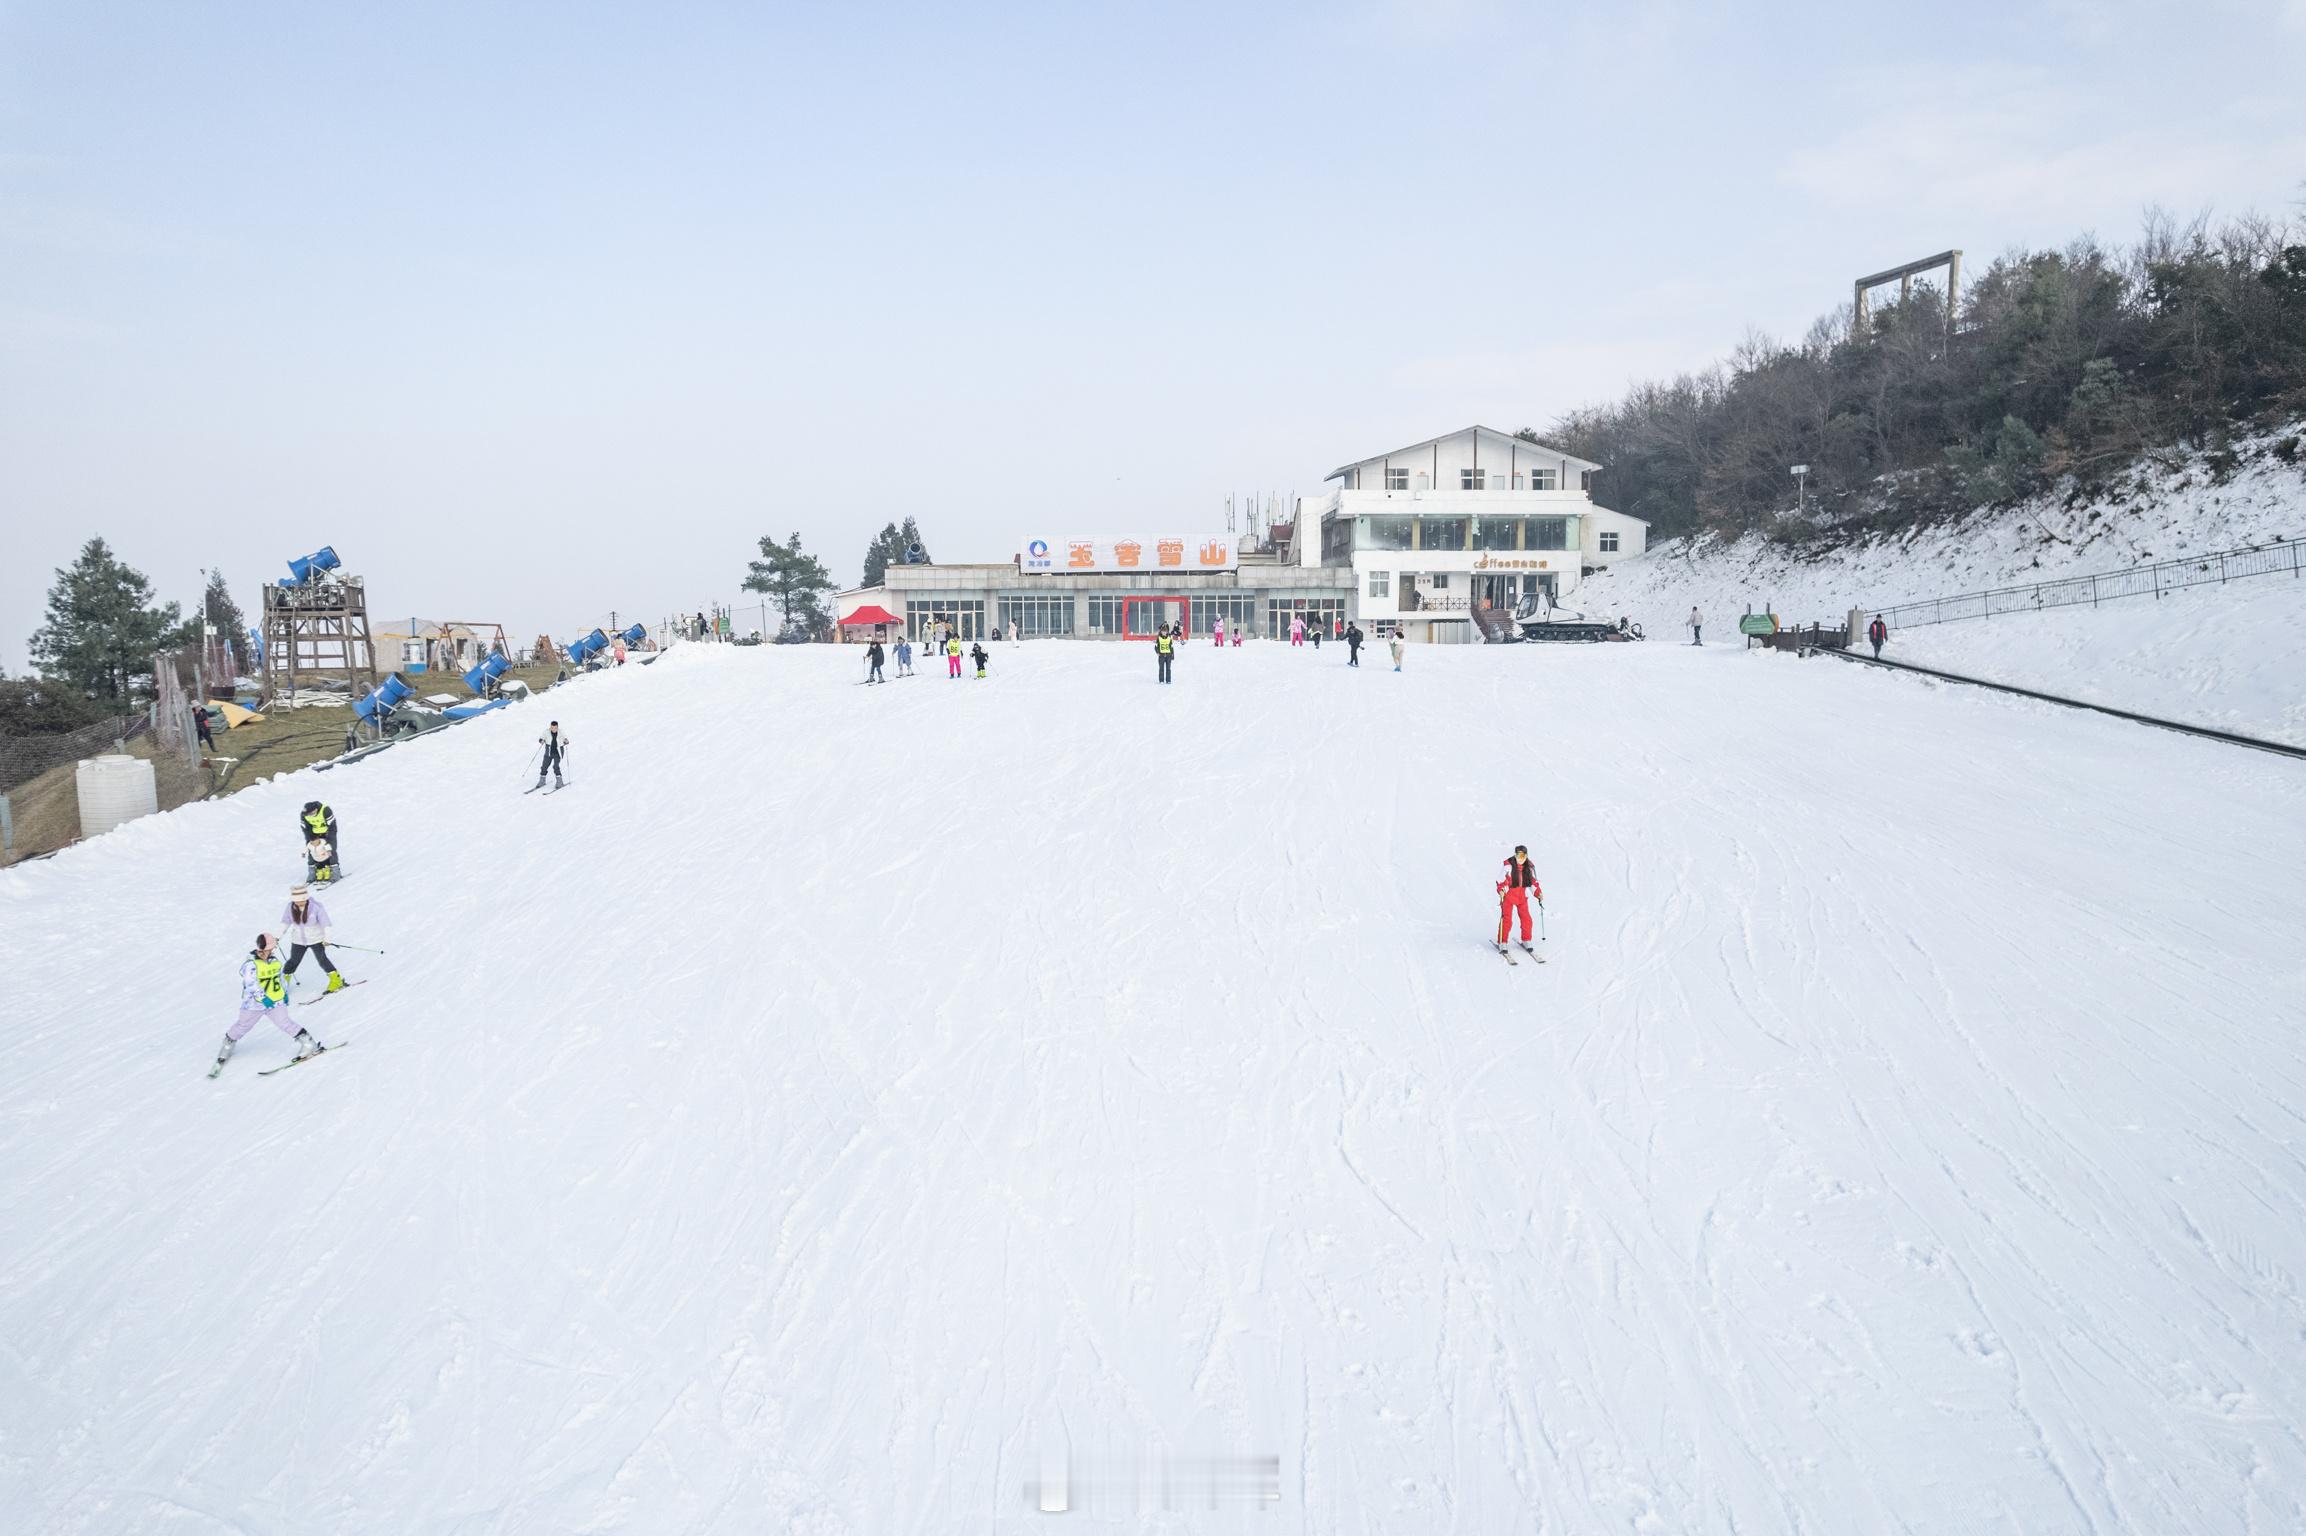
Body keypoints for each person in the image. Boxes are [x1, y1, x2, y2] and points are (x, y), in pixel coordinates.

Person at [211, 933, 323, 1073]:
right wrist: (262, 998)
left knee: (286, 1023)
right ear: (261, 948)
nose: (270, 951)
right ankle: (227, 1046)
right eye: (267, 948)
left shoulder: (275, 961)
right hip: (254, 1005)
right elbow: (251, 984)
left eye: (271, 948)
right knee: (242, 1026)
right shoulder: (251, 965)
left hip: (275, 1002)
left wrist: (284, 993)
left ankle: (308, 1043)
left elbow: (281, 979)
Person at [281, 884, 347, 995]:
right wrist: (277, 937)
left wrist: (327, 938)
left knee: (322, 960)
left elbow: (326, 924)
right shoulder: (290, 907)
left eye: (301, 900)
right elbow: (285, 922)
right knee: (293, 961)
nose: (299, 903)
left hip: (316, 940)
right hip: (298, 941)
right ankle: (283, 984)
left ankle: (336, 981)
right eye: (296, 901)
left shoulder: (316, 907)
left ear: (306, 898)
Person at [1496, 844, 1544, 955]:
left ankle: (1526, 939)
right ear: (1515, 855)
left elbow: (1533, 883)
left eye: (1523, 856)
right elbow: (1501, 880)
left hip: (1522, 897)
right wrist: (1501, 890)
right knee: (1507, 919)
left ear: (1526, 856)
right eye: (1518, 855)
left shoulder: (1529, 868)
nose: (1520, 859)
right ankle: (1502, 941)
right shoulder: (1509, 867)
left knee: (1527, 919)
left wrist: (1538, 893)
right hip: (1509, 896)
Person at [300, 800, 339, 883]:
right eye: (308, 814)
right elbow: (305, 829)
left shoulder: (325, 810)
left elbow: (332, 826)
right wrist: (311, 839)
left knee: (330, 849)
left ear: (315, 810)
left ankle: (335, 871)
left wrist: (329, 840)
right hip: (314, 833)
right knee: (312, 849)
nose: (310, 816)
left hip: (328, 831)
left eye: (311, 813)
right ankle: (313, 871)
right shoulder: (304, 814)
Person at [536, 721, 570, 789]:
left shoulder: (561, 732)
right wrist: (541, 740)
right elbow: (541, 738)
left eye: (555, 728)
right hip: (549, 752)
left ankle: (559, 782)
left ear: (557, 727)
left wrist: (566, 741)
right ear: (550, 727)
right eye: (552, 728)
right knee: (544, 766)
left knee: (555, 766)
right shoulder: (546, 732)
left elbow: (565, 738)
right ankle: (542, 781)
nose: (553, 729)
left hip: (558, 752)